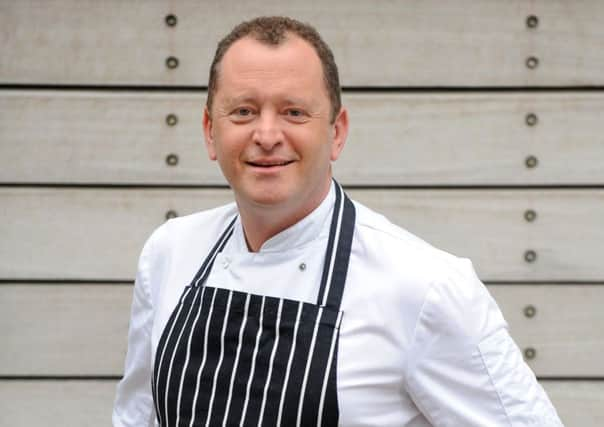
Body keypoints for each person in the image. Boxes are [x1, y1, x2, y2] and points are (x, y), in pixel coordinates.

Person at [113, 16, 563, 427]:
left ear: (337, 132)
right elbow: (136, 418)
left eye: (294, 112)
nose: (267, 135)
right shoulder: (170, 253)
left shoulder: (427, 288)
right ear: (211, 131)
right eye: (244, 111)